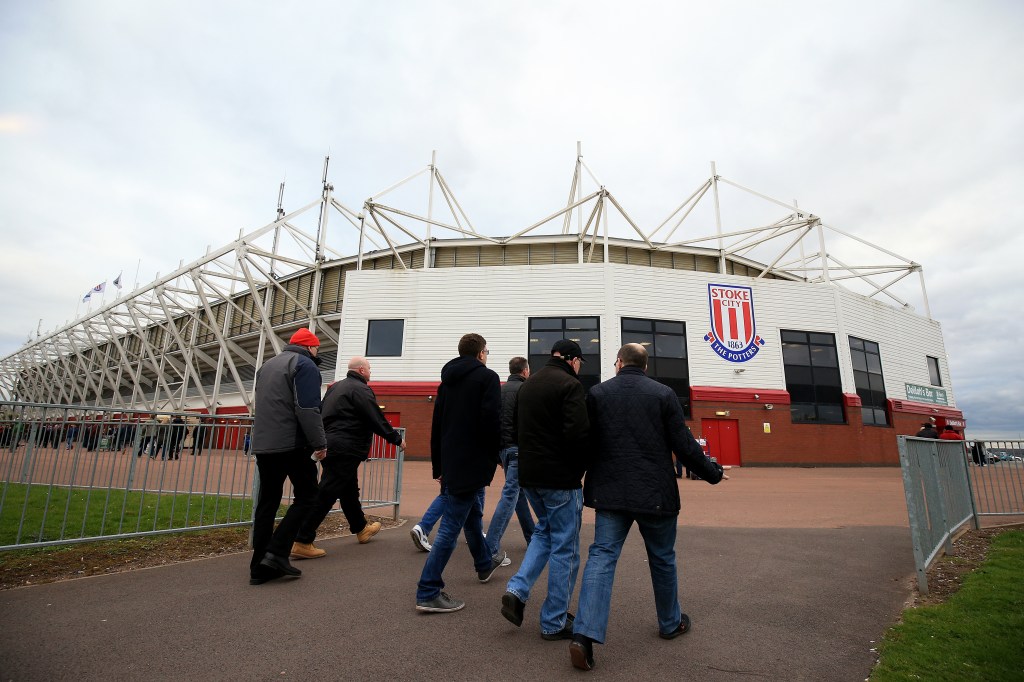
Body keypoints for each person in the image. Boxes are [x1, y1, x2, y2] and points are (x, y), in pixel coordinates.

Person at [569, 343, 725, 671]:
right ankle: (670, 623)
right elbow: (683, 444)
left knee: (602, 556)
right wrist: (712, 473)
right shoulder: (663, 394)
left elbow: (584, 442)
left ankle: (584, 635)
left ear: (620, 363)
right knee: (662, 558)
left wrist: (571, 477)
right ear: (645, 365)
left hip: (610, 492)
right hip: (656, 494)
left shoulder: (598, 394)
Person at [501, 339, 590, 641]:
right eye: (579, 362)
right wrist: (578, 471)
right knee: (566, 546)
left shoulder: (530, 384)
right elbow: (578, 435)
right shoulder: (570, 385)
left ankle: (517, 590)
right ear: (573, 359)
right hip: (559, 479)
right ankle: (553, 621)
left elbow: (517, 427)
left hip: (530, 475)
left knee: (544, 532)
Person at [415, 333, 505, 613]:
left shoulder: (446, 382)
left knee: (472, 515)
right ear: (480, 353)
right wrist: (496, 456)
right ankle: (428, 590)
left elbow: (437, 425)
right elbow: (491, 421)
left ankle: (483, 562)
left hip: (453, 462)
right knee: (451, 528)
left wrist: (439, 466)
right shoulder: (487, 378)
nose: (487, 356)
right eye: (486, 351)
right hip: (473, 463)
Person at [292, 356, 407, 559]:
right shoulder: (360, 389)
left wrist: (319, 441)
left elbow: (320, 413)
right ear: (361, 370)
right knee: (327, 492)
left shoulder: (335, 388)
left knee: (348, 490)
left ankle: (361, 528)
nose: (371, 371)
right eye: (369, 368)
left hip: (331, 445)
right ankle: (302, 539)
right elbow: (375, 417)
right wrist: (396, 438)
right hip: (347, 447)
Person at [248, 328, 327, 586]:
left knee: (267, 502)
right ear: (310, 347)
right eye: (316, 348)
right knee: (308, 495)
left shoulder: (267, 366)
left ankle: (258, 567)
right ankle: (277, 552)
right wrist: (319, 443)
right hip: (292, 443)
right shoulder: (304, 365)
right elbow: (307, 408)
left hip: (265, 443)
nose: (317, 352)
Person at [485, 356, 536, 561]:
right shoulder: (525, 390)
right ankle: (490, 550)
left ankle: (532, 538)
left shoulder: (500, 390)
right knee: (510, 495)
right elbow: (529, 422)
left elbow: (493, 421)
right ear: (524, 371)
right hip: (518, 449)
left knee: (518, 494)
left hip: (504, 450)